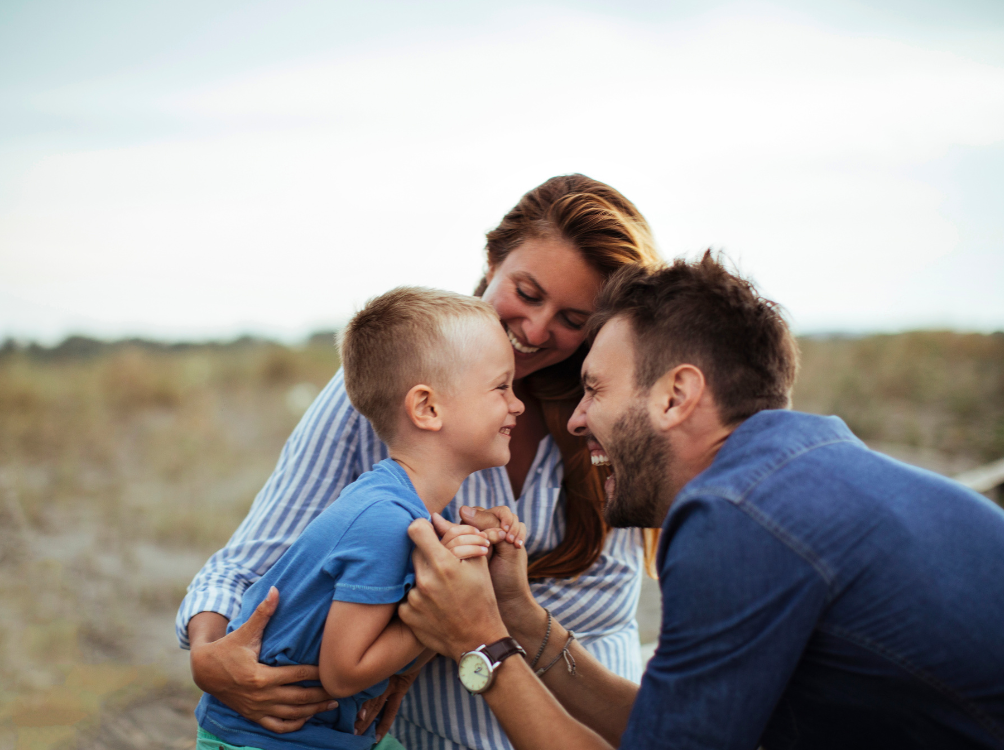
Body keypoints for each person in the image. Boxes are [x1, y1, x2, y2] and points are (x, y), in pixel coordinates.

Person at [398, 253, 1004, 750]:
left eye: (595, 388)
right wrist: (519, 620)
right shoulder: (799, 481)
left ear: (676, 395)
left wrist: (479, 643)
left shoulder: (737, 518)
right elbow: (666, 729)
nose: (578, 421)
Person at [176, 175, 663, 749]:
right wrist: (211, 658)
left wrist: (471, 614)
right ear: (492, 260)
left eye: (573, 319)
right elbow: (258, 558)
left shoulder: (608, 418)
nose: (535, 329)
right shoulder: (397, 387)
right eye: (527, 294)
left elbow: (585, 612)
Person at [193, 287, 528, 750]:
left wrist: (479, 552)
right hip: (266, 740)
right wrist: (439, 613)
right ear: (428, 408)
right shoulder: (383, 522)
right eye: (501, 386)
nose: (518, 404)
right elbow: (343, 671)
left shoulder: (417, 506)